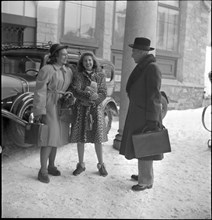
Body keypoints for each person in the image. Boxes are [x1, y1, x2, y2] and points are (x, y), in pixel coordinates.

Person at [119, 37, 164, 191]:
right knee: (140, 145)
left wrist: (152, 120)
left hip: (146, 116)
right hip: (139, 114)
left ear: (141, 52)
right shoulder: (143, 66)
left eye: (133, 51)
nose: (132, 55)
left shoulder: (151, 68)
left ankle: (146, 181)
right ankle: (143, 174)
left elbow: (154, 96)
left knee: (146, 146)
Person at [33, 43, 74, 183]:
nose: (66, 57)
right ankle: (42, 170)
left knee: (56, 138)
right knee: (49, 139)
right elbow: (39, 91)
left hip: (62, 106)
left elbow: (72, 87)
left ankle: (51, 166)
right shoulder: (47, 69)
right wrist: (40, 111)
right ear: (55, 55)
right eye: (63, 54)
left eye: (67, 55)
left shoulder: (68, 71)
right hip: (50, 105)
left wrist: (70, 97)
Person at [69, 51, 108, 177]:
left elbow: (103, 92)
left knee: (98, 138)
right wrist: (88, 95)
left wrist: (95, 100)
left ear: (93, 61)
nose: (88, 63)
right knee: (80, 138)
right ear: (82, 63)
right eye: (85, 60)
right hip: (81, 109)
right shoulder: (78, 75)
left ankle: (101, 164)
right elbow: (75, 90)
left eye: (90, 60)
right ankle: (81, 164)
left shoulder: (100, 75)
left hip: (95, 109)